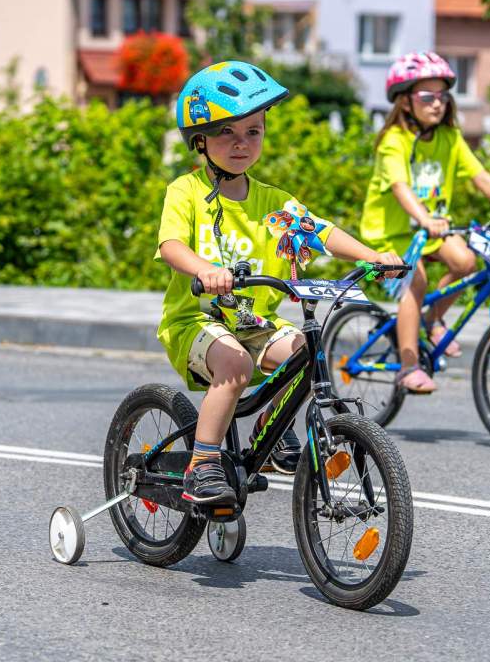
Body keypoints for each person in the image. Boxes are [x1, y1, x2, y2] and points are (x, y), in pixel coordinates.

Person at [156, 60, 403, 505]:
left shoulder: (275, 202)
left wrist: (373, 257)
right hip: (196, 320)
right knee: (235, 367)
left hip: (255, 323)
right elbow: (172, 244)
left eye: (254, 131)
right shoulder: (186, 191)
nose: (242, 143)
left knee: (310, 353)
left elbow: (323, 232)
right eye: (227, 132)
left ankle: (272, 426)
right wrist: (203, 271)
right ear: (200, 139)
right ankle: (204, 463)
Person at [360, 52, 490, 394]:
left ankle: (432, 320)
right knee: (414, 282)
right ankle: (408, 366)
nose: (438, 103)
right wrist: (426, 219)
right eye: (427, 97)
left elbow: (483, 178)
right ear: (404, 102)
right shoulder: (393, 141)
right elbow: (400, 187)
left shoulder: (450, 138)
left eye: (443, 96)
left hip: (429, 229)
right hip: (390, 232)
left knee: (466, 261)